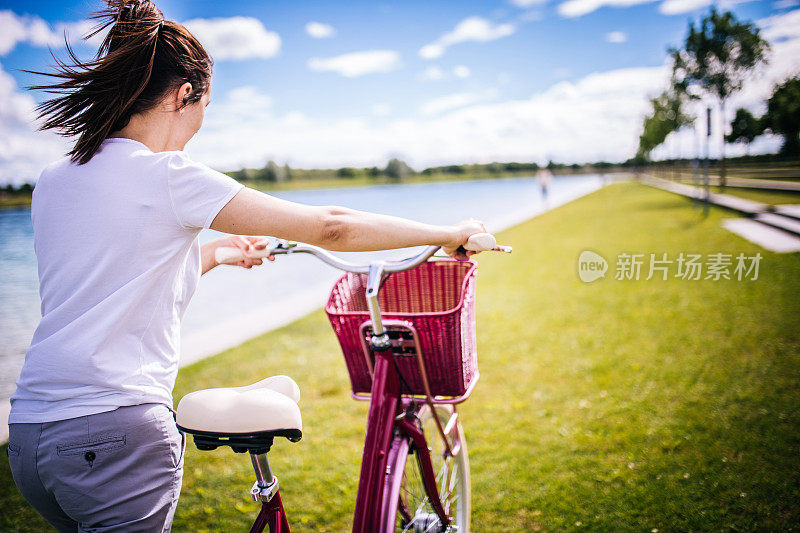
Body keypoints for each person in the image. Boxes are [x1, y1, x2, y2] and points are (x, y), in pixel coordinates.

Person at [6, 1, 486, 531]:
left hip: (31, 437)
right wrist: (448, 233)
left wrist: (218, 253)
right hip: (113, 433)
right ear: (184, 95)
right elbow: (331, 226)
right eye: (204, 105)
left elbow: (109, 281)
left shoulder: (56, 179)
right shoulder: (169, 175)